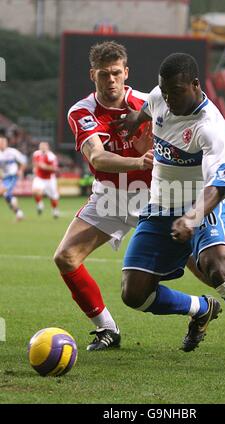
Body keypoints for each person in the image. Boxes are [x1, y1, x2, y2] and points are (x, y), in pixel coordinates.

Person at [115, 52, 225, 375]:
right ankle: (201, 308)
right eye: (164, 92)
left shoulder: (212, 128)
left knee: (217, 267)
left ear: (195, 85)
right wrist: (134, 120)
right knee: (133, 293)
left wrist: (192, 218)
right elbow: (148, 108)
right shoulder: (161, 97)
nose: (169, 99)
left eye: (176, 92)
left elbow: (220, 186)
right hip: (160, 206)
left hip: (201, 204)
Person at [53, 41, 153, 351]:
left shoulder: (149, 104)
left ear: (126, 72)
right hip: (108, 198)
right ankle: (107, 329)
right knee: (65, 258)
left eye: (115, 74)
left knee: (207, 267)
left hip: (151, 197)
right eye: (103, 75)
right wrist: (139, 160)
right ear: (92, 75)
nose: (110, 81)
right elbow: (97, 158)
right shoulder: (81, 112)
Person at [0, 133, 26, 220]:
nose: (2, 144)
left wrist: (20, 170)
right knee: (7, 196)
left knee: (5, 193)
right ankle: (19, 213)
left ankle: (19, 213)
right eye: (0, 142)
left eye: (3, 142)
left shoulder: (12, 152)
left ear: (6, 143)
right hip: (4, 178)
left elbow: (23, 161)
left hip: (12, 176)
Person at [32, 141, 60, 218]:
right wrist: (35, 168)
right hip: (39, 178)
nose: (43, 148)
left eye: (44, 146)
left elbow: (55, 169)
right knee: (35, 191)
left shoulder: (51, 156)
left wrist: (45, 167)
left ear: (48, 147)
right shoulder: (36, 154)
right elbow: (35, 163)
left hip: (49, 179)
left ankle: (55, 210)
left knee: (53, 197)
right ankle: (40, 204)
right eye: (41, 146)